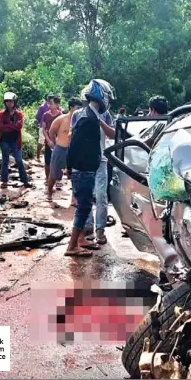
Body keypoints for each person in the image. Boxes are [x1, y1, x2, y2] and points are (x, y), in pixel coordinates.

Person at [65, 79, 115, 257]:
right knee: (84, 206)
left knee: (88, 203)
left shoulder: (92, 116)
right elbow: (75, 144)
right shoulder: (87, 118)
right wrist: (70, 166)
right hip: (85, 168)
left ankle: (80, 240)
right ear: (102, 95)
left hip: (87, 166)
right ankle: (73, 245)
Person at [46, 98, 83, 201]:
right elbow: (51, 131)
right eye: (78, 108)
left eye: (81, 108)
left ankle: (74, 198)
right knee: (54, 173)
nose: (80, 110)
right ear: (71, 108)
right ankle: (49, 192)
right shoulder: (62, 119)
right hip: (61, 148)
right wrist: (53, 143)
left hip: (75, 151)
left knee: (75, 174)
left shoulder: (81, 120)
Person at [0, 92, 32, 189]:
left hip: (15, 140)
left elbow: (19, 126)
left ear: (14, 102)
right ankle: (4, 181)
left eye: (11, 101)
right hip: (4, 140)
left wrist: (8, 126)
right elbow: (1, 127)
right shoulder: (1, 114)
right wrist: (13, 126)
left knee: (19, 160)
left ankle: (24, 180)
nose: (9, 103)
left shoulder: (19, 114)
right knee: (5, 160)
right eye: (7, 101)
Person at [42, 96, 62, 183]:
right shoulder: (45, 115)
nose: (49, 105)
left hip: (59, 142)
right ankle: (47, 178)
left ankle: (57, 179)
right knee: (47, 161)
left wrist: (57, 140)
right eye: (48, 103)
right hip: (48, 142)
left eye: (51, 103)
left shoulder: (61, 116)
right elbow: (44, 129)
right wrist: (49, 140)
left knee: (58, 161)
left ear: (57, 104)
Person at [35, 94, 53, 161]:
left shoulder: (54, 106)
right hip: (43, 127)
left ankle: (49, 158)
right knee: (41, 141)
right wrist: (42, 122)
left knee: (50, 142)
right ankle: (38, 156)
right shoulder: (42, 107)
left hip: (51, 127)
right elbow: (37, 116)